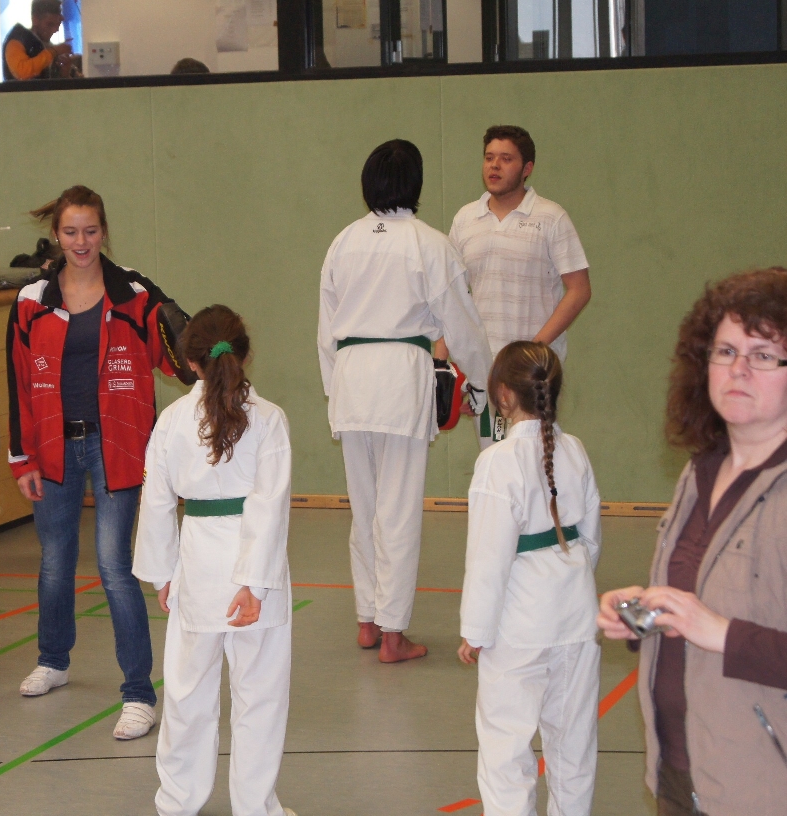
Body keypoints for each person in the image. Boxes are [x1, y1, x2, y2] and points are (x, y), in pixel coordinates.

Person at [598, 268, 787, 816]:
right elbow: (704, 596)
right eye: (725, 351)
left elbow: (718, 624)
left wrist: (721, 632)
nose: (739, 369)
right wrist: (646, 613)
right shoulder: (700, 471)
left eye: (764, 355)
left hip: (763, 788)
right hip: (683, 771)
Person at [7, 185, 186, 739]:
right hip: (53, 449)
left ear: (103, 231)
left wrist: (213, 359)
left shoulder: (134, 292)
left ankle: (138, 693)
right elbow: (17, 382)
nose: (81, 242)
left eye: (90, 231)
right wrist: (21, 458)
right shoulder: (32, 298)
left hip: (118, 447)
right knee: (55, 560)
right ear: (56, 235)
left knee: (114, 565)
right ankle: (53, 659)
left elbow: (181, 355)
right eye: (70, 232)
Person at [317, 139, 491, 661]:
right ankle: (393, 634)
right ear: (415, 184)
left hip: (351, 379)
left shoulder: (342, 242)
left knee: (365, 508)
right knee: (397, 510)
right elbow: (462, 327)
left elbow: (326, 332)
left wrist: (335, 390)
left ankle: (367, 620)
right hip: (399, 379)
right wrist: (485, 384)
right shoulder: (429, 244)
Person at [134, 305, 297, 816]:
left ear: (190, 362)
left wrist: (162, 574)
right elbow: (269, 505)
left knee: (187, 694)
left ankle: (178, 802)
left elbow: (156, 501)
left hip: (199, 564)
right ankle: (255, 807)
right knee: (260, 698)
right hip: (256, 573)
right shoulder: (268, 419)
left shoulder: (172, 421)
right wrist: (253, 583)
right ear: (244, 355)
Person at [457, 341, 601, 816]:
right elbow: (590, 540)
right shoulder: (575, 450)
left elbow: (488, 560)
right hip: (576, 616)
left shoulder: (498, 462)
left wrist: (475, 631)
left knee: (506, 749)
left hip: (518, 625)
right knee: (573, 745)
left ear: (503, 394)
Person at [447, 125, 590, 448]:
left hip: (533, 372)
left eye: (506, 159)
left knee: (536, 460)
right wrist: (448, 370)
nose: (494, 166)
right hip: (483, 371)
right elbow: (452, 298)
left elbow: (579, 289)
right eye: (489, 157)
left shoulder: (551, 217)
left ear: (527, 168)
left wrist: (530, 352)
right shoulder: (465, 220)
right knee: (495, 461)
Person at [3, 0, 73, 81]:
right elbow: (22, 73)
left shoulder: (48, 48)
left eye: (58, 24)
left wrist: (64, 73)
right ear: (35, 19)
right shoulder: (16, 41)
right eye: (50, 24)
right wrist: (54, 51)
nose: (55, 30)